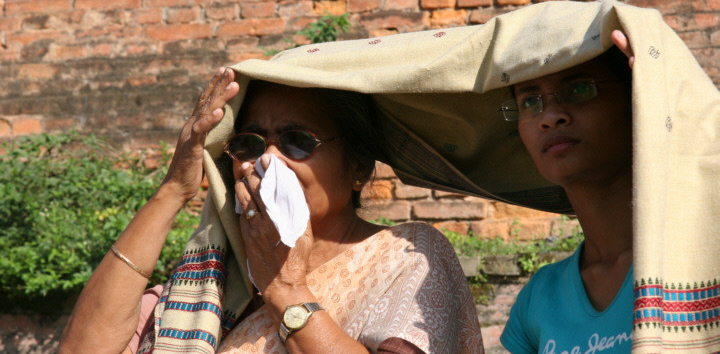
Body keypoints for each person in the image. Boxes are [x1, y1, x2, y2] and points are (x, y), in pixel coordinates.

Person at [58, 69, 484, 354]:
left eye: (297, 141)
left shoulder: (405, 255)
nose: (268, 163)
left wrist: (286, 290)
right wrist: (173, 190)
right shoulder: (216, 285)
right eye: (251, 144)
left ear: (358, 168)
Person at [499, 32, 635, 354]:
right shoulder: (539, 299)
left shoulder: (697, 261)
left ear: (635, 100)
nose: (549, 116)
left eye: (580, 89)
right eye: (530, 101)